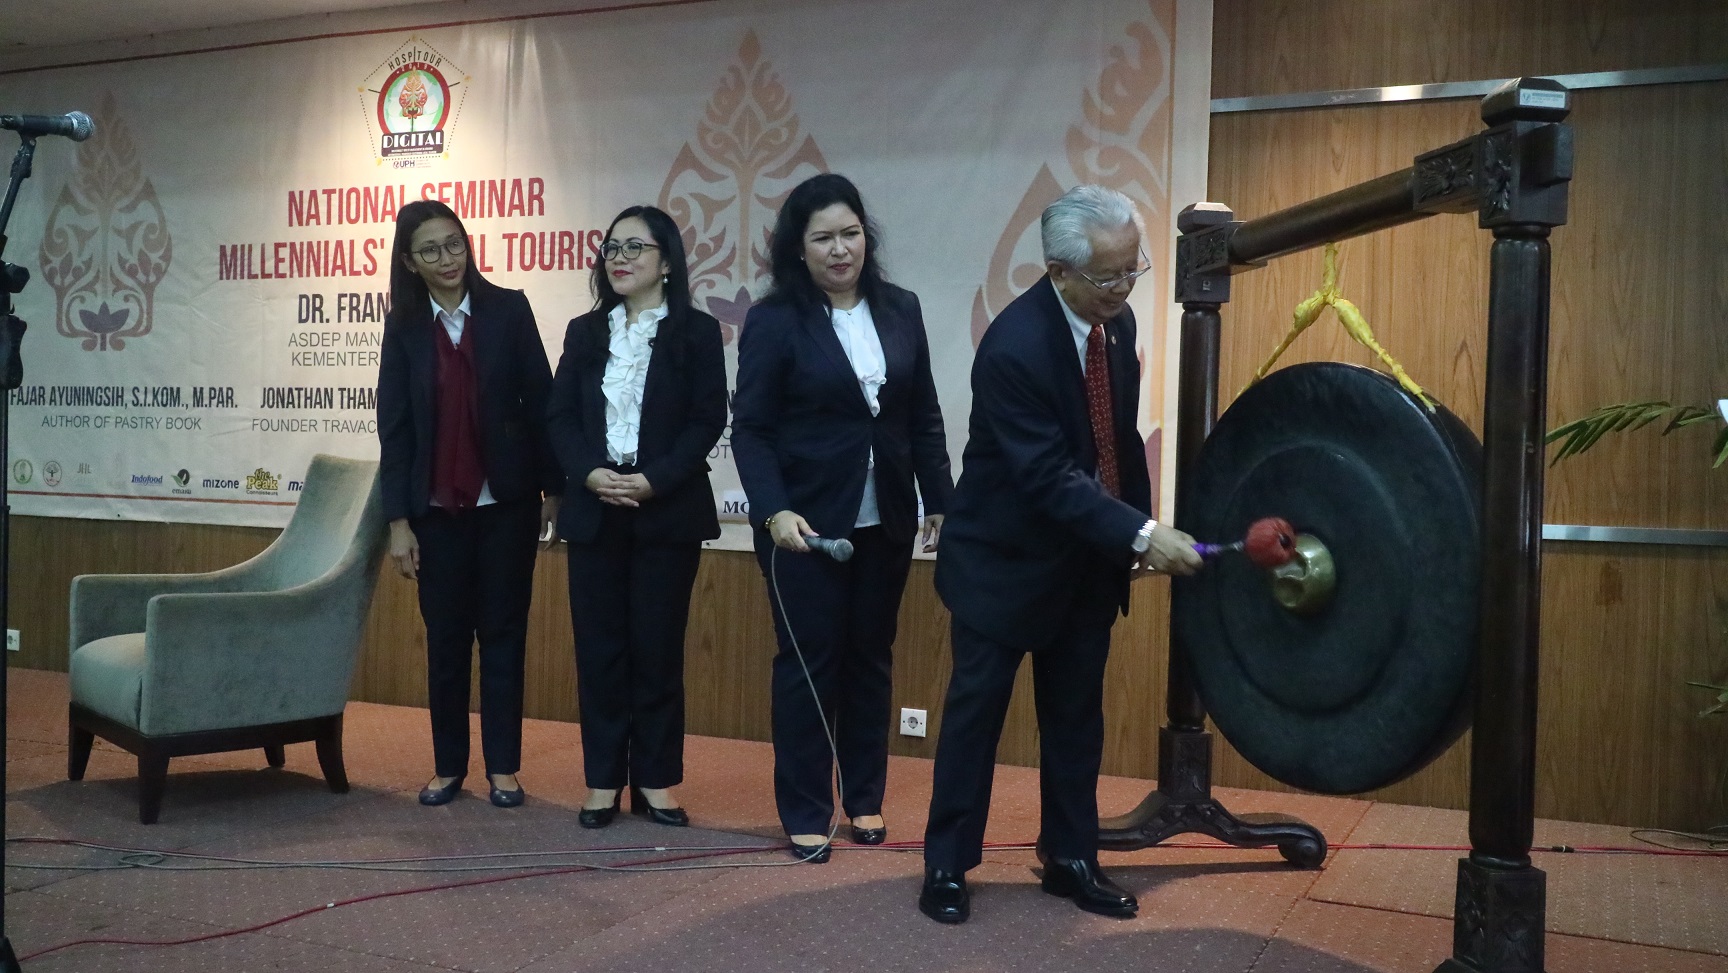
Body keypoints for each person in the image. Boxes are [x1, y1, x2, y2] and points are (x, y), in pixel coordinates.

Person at [918, 185, 1203, 922]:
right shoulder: (1013, 347)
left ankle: (1071, 857)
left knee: (1076, 719)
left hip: (1083, 563)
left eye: (1133, 269)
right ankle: (947, 864)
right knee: (976, 719)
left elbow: (1116, 441)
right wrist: (1140, 532)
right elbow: (1047, 475)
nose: (1124, 286)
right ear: (1058, 271)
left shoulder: (1117, 324)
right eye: (1109, 275)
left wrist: (1134, 530)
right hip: (1002, 565)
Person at [732, 173, 954, 862]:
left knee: (870, 659)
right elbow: (752, 429)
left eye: (851, 234)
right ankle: (805, 808)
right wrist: (773, 510)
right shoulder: (774, 320)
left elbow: (922, 415)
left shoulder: (901, 308)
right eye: (824, 238)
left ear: (867, 236)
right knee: (808, 664)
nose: (840, 250)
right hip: (802, 526)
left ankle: (863, 795)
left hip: (885, 518)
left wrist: (940, 499)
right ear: (798, 249)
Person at [377, 199, 561, 810]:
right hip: (435, 514)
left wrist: (553, 489)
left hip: (505, 503)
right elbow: (395, 428)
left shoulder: (508, 309)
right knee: (447, 641)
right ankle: (448, 767)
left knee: (504, 636)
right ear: (410, 262)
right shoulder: (405, 327)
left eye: (454, 243)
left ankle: (503, 768)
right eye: (430, 250)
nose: (447, 258)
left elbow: (541, 403)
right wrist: (398, 521)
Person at [546, 205, 727, 829]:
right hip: (594, 509)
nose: (619, 259)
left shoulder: (697, 333)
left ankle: (655, 780)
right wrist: (588, 473)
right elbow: (559, 416)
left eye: (634, 248)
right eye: (611, 248)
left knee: (657, 651)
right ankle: (602, 780)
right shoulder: (584, 332)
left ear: (667, 261)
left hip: (666, 511)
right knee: (599, 652)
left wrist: (654, 481)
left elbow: (707, 420)